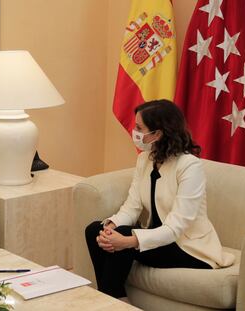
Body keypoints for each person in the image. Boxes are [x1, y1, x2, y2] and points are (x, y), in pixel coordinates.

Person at [85, 99, 234, 300]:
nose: (134, 131)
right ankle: (115, 300)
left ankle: (107, 301)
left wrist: (128, 241)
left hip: (186, 247)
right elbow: (133, 205)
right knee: (95, 230)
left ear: (158, 133)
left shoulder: (189, 166)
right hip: (157, 238)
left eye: (139, 127)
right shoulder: (144, 159)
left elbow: (176, 228)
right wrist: (111, 226)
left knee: (121, 238)